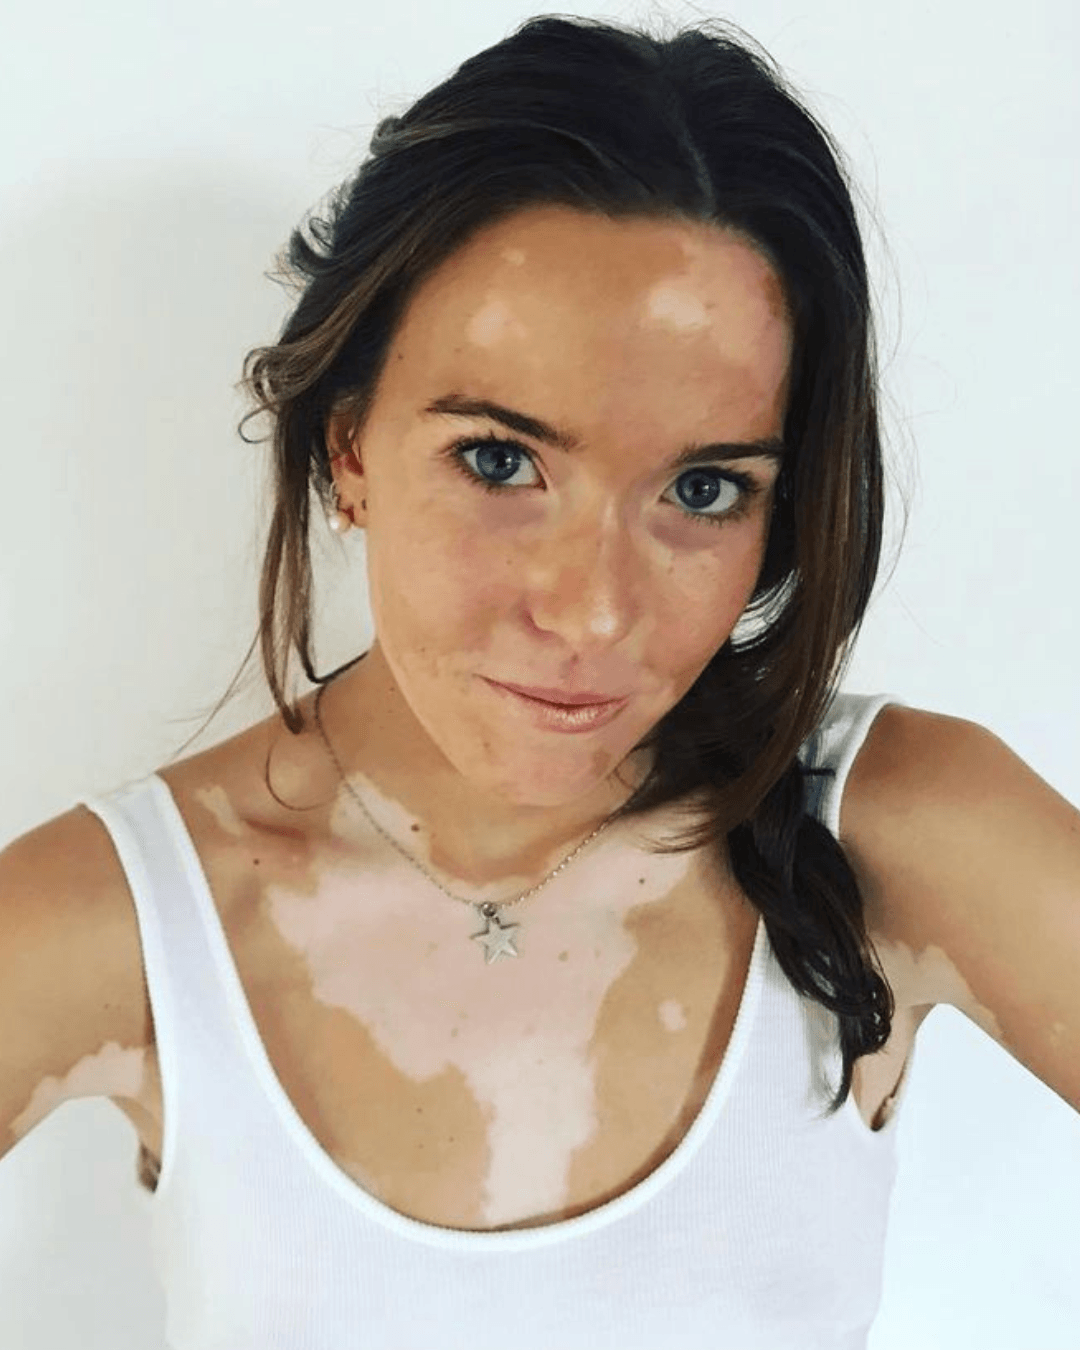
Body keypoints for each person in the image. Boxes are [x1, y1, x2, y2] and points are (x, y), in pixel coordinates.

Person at [1, 12, 1077, 1349]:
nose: (593, 610)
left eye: (703, 489)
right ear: (349, 446)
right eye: (501, 462)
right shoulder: (127, 920)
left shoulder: (896, 833)